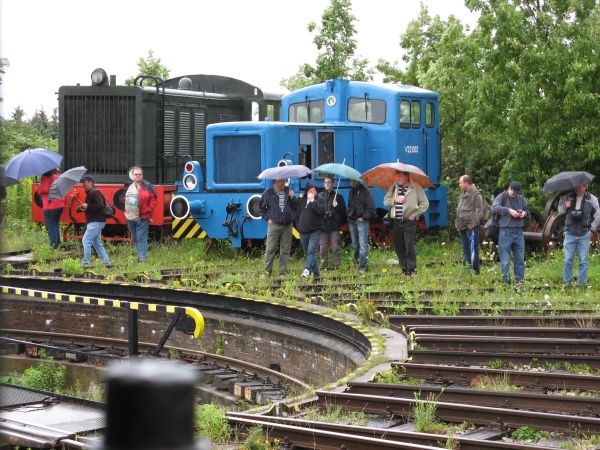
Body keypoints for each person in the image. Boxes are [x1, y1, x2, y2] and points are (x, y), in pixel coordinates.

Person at [384, 171, 429, 276]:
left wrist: (415, 215)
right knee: (399, 246)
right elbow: (386, 201)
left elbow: (425, 204)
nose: (397, 178)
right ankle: (404, 268)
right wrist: (395, 200)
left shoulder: (416, 187)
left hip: (410, 222)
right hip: (396, 221)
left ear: (406, 176)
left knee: (409, 245)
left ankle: (412, 269)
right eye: (396, 176)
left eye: (399, 176)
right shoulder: (394, 187)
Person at [558, 184, 600, 287]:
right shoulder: (567, 197)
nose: (578, 188)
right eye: (576, 186)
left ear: (586, 187)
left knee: (583, 261)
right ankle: (567, 284)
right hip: (569, 233)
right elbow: (560, 211)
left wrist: (592, 230)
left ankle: (582, 285)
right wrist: (565, 206)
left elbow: (598, 215)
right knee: (568, 260)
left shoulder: (592, 199)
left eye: (581, 186)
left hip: (584, 234)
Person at [491, 181, 529, 283]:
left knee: (520, 259)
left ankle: (519, 282)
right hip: (505, 232)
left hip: (518, 232)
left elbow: (527, 211)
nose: (515, 194)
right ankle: (506, 283)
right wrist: (509, 211)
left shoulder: (521, 199)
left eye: (517, 192)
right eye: (514, 192)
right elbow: (494, 208)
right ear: (509, 188)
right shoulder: (501, 197)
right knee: (505, 261)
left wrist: (524, 213)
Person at [259, 179, 297, 278]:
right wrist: (268, 219)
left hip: (287, 224)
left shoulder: (288, 191)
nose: (284, 183)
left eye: (285, 181)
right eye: (282, 181)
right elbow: (261, 209)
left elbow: (295, 207)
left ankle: (282, 273)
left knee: (285, 249)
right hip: (274, 225)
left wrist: (293, 197)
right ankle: (267, 272)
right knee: (270, 248)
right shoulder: (268, 193)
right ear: (276, 182)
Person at [124, 166, 157, 263]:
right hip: (130, 217)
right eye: (136, 174)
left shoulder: (147, 186)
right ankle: (140, 257)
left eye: (139, 174)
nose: (138, 176)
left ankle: (143, 259)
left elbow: (154, 198)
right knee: (135, 238)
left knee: (141, 238)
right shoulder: (129, 186)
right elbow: (126, 199)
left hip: (143, 217)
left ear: (142, 175)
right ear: (132, 175)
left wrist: (149, 209)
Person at [79, 175, 112, 268]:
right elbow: (95, 206)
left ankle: (85, 263)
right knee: (96, 243)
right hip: (96, 221)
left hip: (96, 221)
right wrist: (84, 208)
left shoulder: (95, 193)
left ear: (90, 182)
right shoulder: (91, 193)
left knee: (86, 241)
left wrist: (88, 206)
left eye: (84, 182)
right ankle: (106, 262)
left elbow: (100, 206)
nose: (83, 184)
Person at [455, 175, 483, 274]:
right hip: (461, 226)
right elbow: (459, 209)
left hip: (471, 226)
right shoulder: (462, 194)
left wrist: (472, 223)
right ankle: (466, 269)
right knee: (464, 247)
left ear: (467, 183)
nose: (459, 185)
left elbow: (479, 211)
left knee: (473, 248)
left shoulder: (476, 194)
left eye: (461, 183)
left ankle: (475, 271)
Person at [296, 183, 326, 280]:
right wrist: (299, 226)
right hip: (303, 231)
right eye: (310, 191)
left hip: (315, 230)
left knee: (311, 251)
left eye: (314, 190)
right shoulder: (302, 200)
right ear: (306, 192)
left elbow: (321, 211)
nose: (313, 192)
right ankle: (317, 275)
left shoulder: (320, 200)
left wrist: (313, 201)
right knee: (309, 254)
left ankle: (307, 269)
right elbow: (297, 213)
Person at [318, 176, 347, 270]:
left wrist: (336, 206)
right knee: (323, 249)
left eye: (329, 182)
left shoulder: (338, 196)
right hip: (323, 226)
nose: (327, 184)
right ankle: (324, 266)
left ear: (333, 184)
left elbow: (343, 212)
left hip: (334, 226)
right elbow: (316, 211)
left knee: (335, 247)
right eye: (325, 182)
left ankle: (336, 266)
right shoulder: (319, 196)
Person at [347, 180, 376, 273]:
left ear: (357, 180)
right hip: (352, 221)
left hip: (361, 221)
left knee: (363, 245)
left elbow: (371, 208)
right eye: (350, 180)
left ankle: (363, 266)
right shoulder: (351, 191)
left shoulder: (366, 191)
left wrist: (363, 217)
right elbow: (350, 205)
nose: (351, 182)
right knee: (355, 245)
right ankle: (357, 262)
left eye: (353, 180)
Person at [38, 168, 65, 249]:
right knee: (55, 225)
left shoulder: (47, 174)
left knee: (50, 226)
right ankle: (57, 244)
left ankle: (54, 246)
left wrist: (39, 187)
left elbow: (43, 189)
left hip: (50, 205)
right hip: (60, 203)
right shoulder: (58, 173)